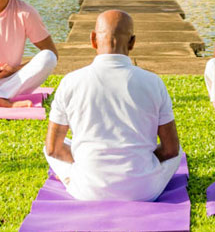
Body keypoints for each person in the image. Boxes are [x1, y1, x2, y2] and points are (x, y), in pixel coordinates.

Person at [44, 10, 181, 201]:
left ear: (93, 39)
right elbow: (171, 150)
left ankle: (77, 173)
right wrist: (138, 165)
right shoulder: (154, 82)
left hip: (88, 190)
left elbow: (53, 149)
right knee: (179, 151)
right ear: (132, 42)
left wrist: (90, 165)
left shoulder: (70, 81)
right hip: (143, 191)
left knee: (52, 146)